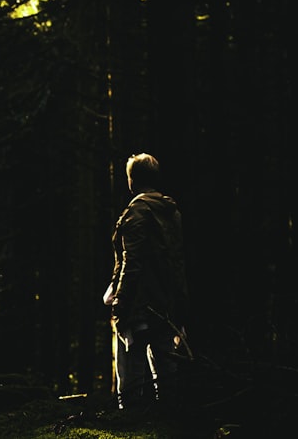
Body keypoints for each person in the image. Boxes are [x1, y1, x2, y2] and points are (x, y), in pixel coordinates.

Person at [104, 152, 190, 411]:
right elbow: (177, 261)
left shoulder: (137, 212)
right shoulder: (171, 212)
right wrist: (179, 307)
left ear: (133, 180)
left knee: (130, 374)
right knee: (166, 372)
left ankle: (130, 423)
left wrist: (121, 302)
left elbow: (132, 262)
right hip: (165, 305)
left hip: (139, 305)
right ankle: (167, 423)